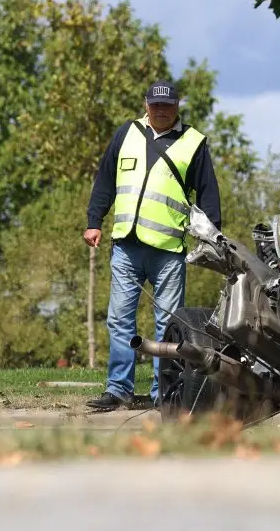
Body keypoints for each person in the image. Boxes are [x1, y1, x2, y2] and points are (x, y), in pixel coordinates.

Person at [82, 80, 222, 411]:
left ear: (177, 106)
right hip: (126, 246)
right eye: (155, 104)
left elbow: (209, 193)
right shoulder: (126, 133)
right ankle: (118, 390)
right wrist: (93, 221)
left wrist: (213, 237)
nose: (161, 110)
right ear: (146, 104)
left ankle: (165, 393)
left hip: (168, 249)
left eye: (167, 105)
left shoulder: (193, 143)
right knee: (119, 319)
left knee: (169, 324)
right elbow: (105, 180)